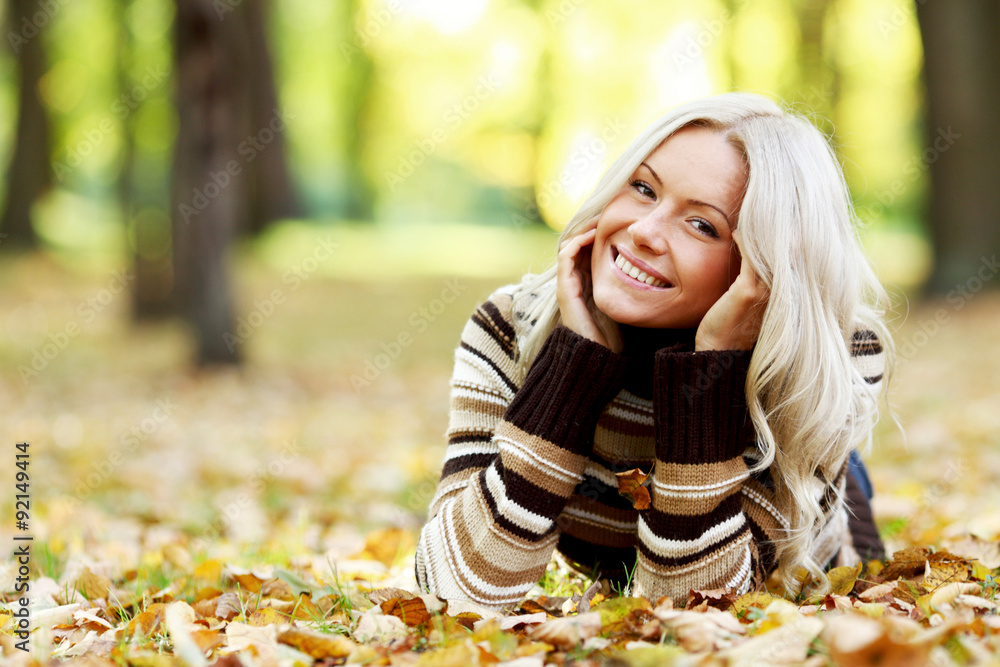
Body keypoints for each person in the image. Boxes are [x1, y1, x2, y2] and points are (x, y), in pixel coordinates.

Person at [414, 92, 892, 610]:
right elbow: (447, 594)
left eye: (702, 224)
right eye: (643, 188)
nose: (643, 232)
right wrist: (572, 368)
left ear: (764, 269)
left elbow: (700, 615)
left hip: (813, 551)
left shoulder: (836, 357)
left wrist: (708, 373)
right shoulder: (511, 326)